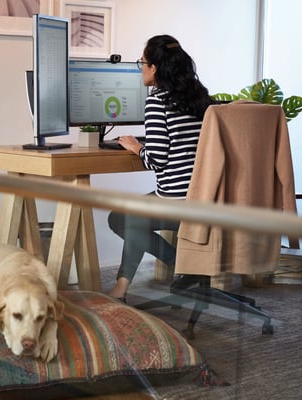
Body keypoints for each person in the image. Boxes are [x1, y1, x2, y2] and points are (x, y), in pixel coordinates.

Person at [107, 34, 219, 302]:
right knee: (125, 216)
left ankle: (123, 288)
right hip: (207, 200)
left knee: (123, 217)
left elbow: (157, 159)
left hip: (177, 200)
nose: (141, 69)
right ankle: (181, 266)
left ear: (154, 68)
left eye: (141, 63)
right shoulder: (201, 98)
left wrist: (136, 147)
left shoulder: (158, 101)